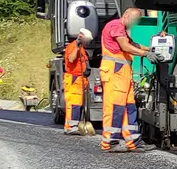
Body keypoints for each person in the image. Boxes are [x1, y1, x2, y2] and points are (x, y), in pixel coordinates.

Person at [97, 8, 153, 152]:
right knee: (115, 108)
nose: (134, 23)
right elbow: (125, 46)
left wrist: (151, 50)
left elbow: (133, 45)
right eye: (133, 20)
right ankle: (110, 142)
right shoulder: (116, 25)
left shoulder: (121, 28)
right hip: (114, 72)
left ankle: (133, 141)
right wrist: (146, 54)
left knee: (129, 107)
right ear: (126, 15)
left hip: (122, 73)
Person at [61, 28, 91, 136]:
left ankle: (72, 125)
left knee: (77, 103)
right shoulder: (73, 46)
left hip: (79, 79)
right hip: (74, 78)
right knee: (74, 103)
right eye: (87, 40)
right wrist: (77, 47)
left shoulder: (81, 48)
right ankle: (71, 126)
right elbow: (71, 59)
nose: (88, 43)